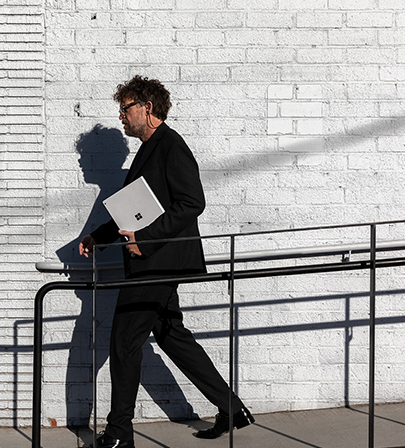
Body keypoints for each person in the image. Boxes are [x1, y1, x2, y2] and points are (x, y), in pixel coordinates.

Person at [79, 75, 253, 448]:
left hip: (158, 263)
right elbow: (137, 211)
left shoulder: (171, 146)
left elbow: (193, 202)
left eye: (126, 109)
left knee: (124, 342)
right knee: (172, 335)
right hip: (154, 262)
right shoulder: (149, 149)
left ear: (148, 108)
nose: (122, 116)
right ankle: (232, 408)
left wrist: (148, 241)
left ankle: (118, 435)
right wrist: (101, 236)